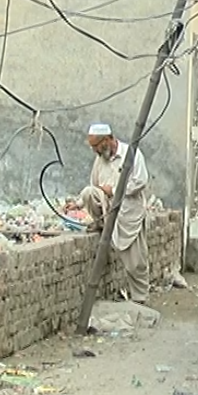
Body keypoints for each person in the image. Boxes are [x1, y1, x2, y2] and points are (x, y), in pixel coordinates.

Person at [65, 123, 151, 305]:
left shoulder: (131, 154)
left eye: (97, 146)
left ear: (108, 140)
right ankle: (100, 224)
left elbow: (140, 182)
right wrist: (78, 204)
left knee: (136, 262)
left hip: (128, 213)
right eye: (93, 148)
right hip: (106, 210)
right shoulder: (99, 161)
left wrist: (113, 190)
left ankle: (140, 299)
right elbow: (94, 187)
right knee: (89, 192)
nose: (95, 151)